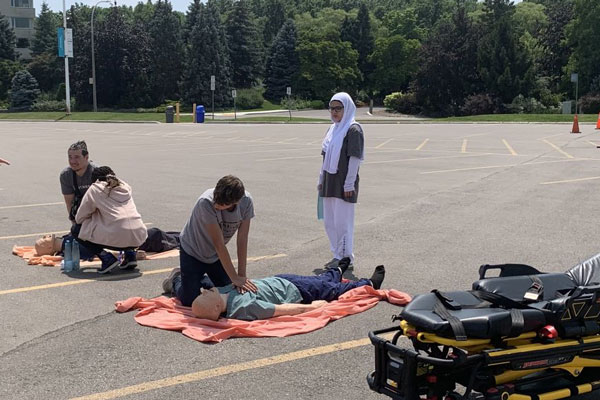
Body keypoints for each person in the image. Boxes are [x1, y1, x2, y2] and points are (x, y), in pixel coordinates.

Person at [182, 258, 385, 321]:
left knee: (320, 280)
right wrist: (311, 307)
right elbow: (281, 310)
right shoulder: (244, 307)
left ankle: (336, 270)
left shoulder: (221, 292)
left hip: (280, 280)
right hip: (295, 291)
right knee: (330, 289)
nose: (203, 292)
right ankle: (369, 284)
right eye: (205, 297)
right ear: (216, 306)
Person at [164, 175, 257, 307]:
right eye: (216, 200)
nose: (216, 205)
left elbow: (242, 239)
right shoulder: (206, 202)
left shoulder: (246, 202)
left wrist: (241, 276)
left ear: (236, 202)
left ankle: (198, 280)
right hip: (192, 251)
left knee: (229, 292)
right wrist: (234, 278)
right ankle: (176, 279)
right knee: (190, 300)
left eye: (222, 204)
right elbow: (219, 244)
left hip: (214, 255)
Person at [318, 92, 364, 269]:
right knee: (330, 221)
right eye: (331, 108)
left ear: (347, 108)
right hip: (330, 179)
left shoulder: (353, 129)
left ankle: (346, 258)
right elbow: (324, 157)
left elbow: (355, 159)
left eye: (338, 108)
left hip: (344, 182)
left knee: (343, 222)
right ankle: (337, 254)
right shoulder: (332, 129)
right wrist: (321, 178)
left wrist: (349, 183)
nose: (334, 112)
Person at [72, 166, 148, 273]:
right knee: (124, 222)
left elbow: (80, 218)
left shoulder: (95, 189)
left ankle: (107, 258)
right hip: (139, 236)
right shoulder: (126, 187)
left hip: (117, 236)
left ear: (94, 180)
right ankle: (130, 255)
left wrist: (95, 216)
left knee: (76, 229)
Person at [59, 141, 98, 222]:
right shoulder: (66, 175)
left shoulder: (97, 173)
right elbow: (69, 203)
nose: (72, 161)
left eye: (77, 157)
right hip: (81, 213)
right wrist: (75, 224)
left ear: (86, 157)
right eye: (70, 157)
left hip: (98, 213)